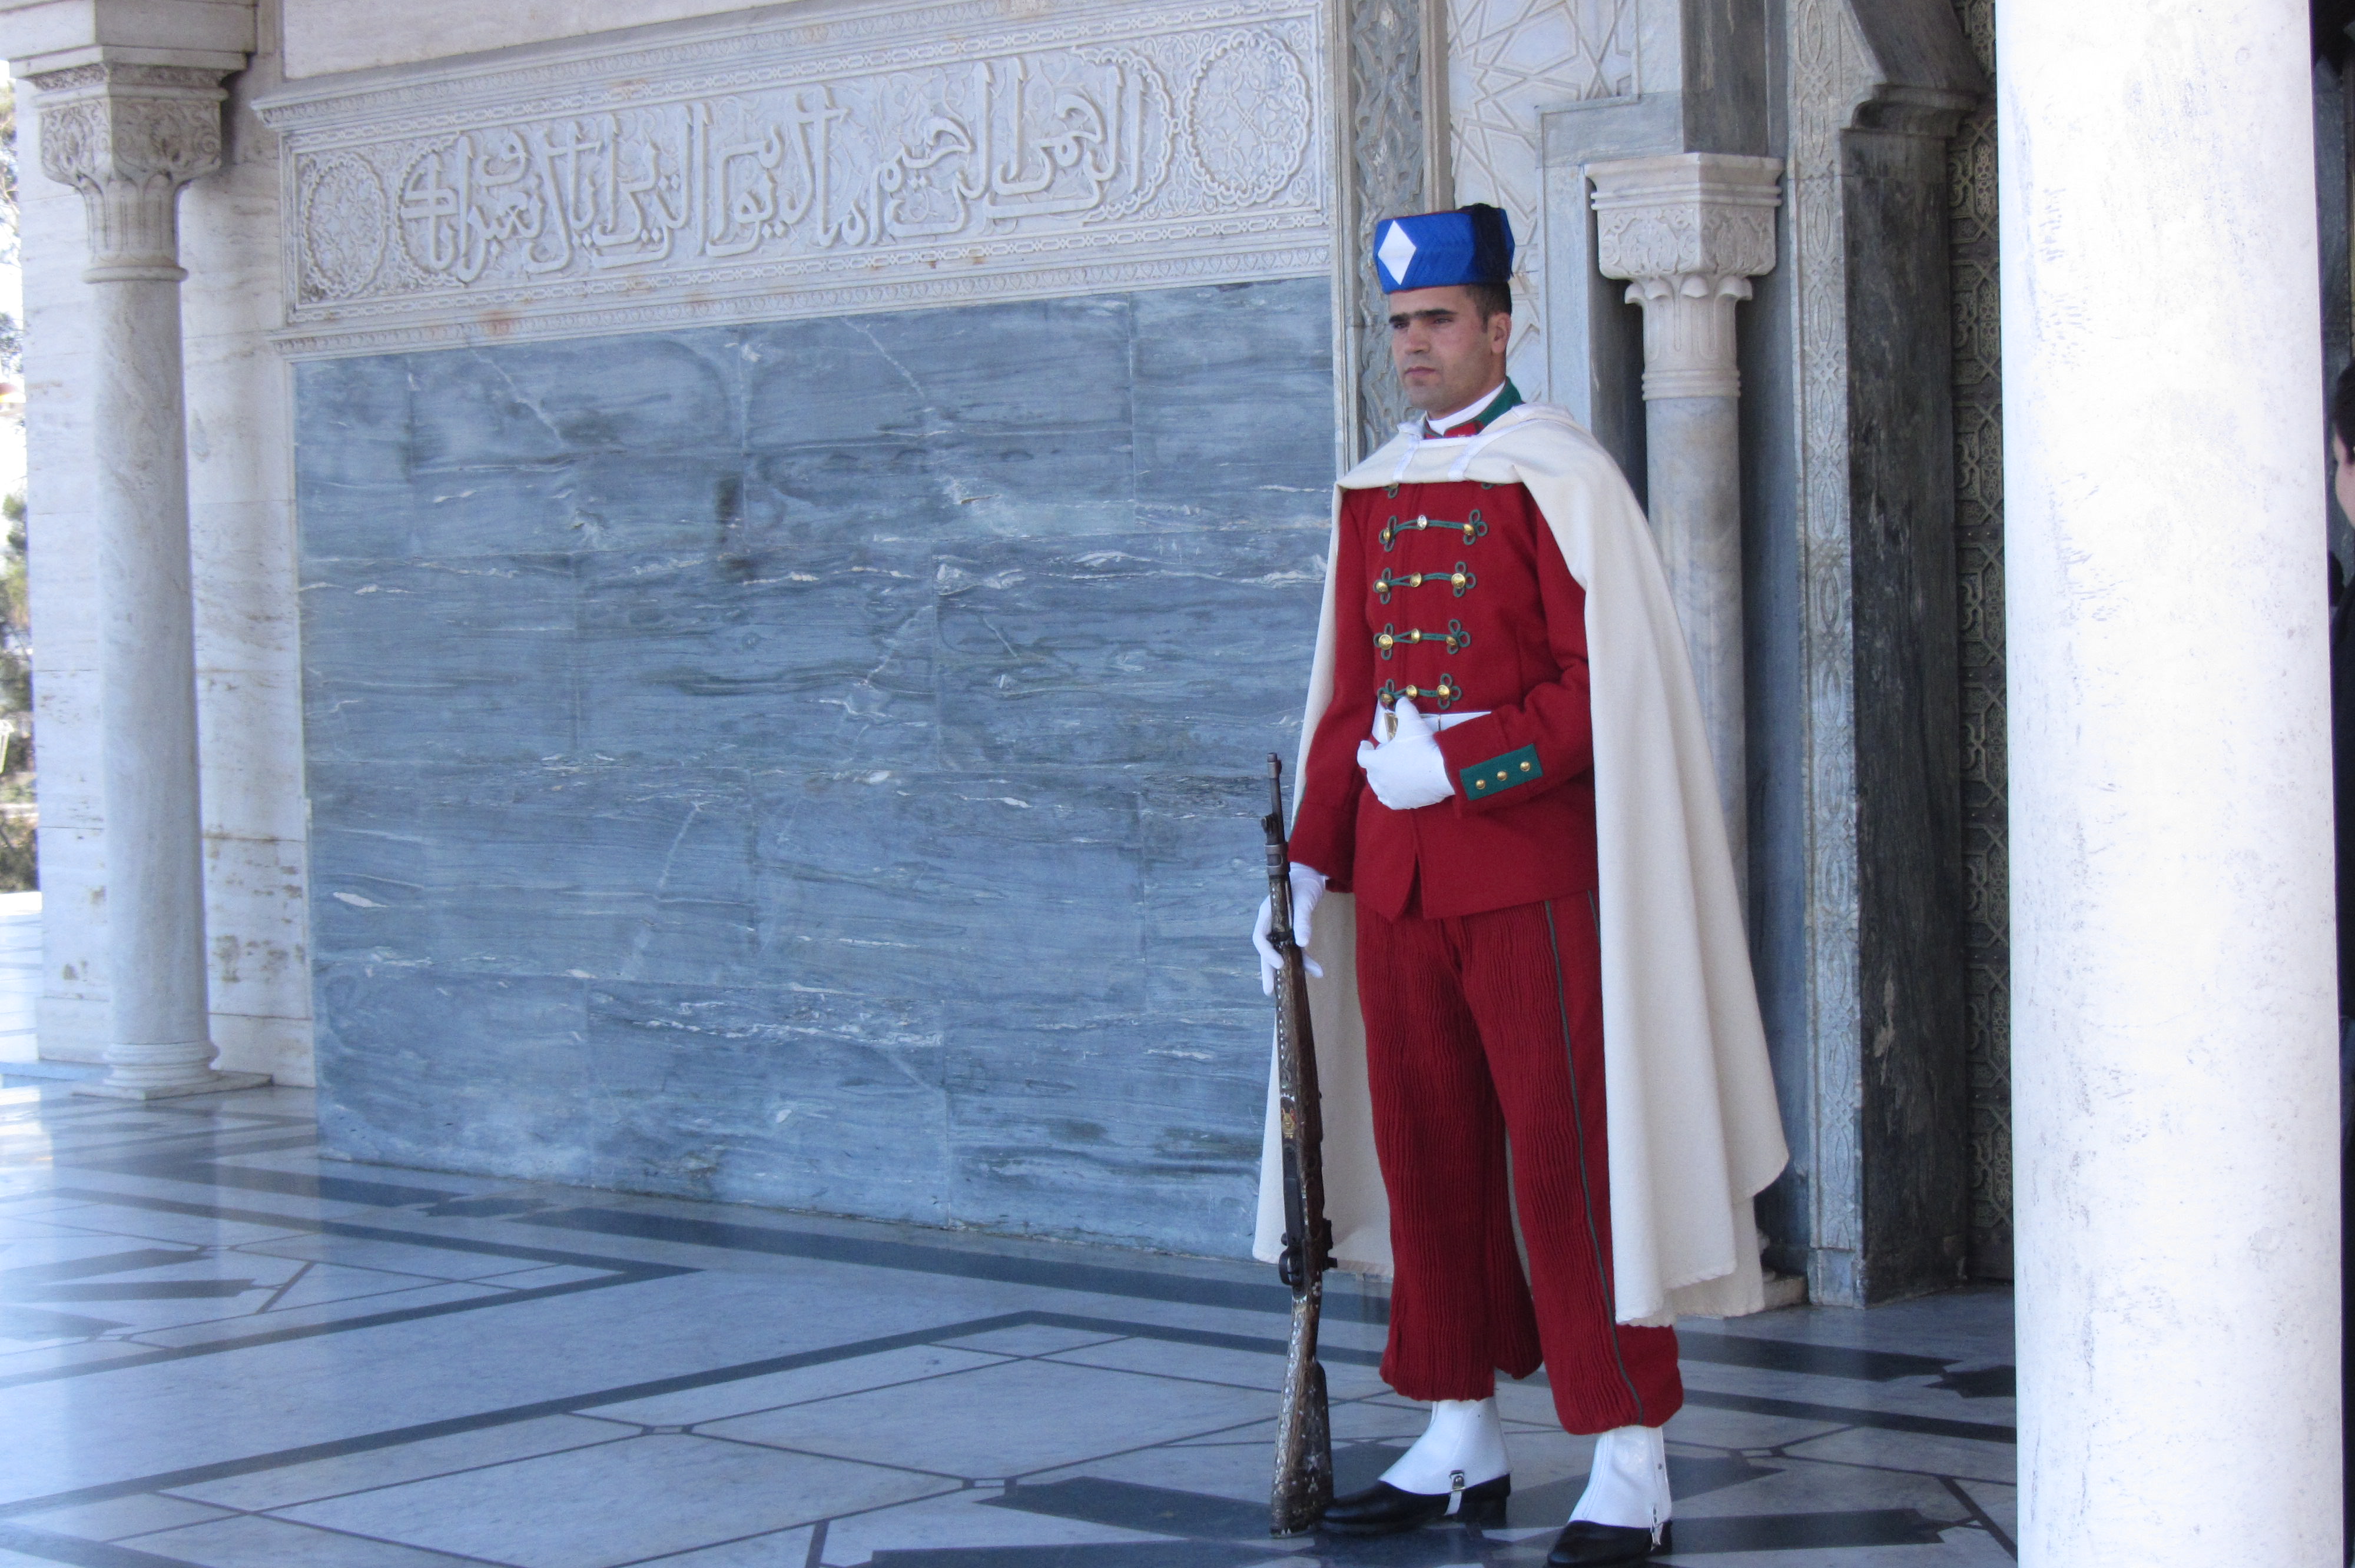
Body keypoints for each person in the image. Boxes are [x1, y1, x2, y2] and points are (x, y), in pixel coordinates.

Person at [1249, 204, 1788, 1567]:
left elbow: (1600, 689)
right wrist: (1308, 866)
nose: (1412, 347)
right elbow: (1347, 698)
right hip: (1401, 890)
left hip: (1531, 880)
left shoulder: (1558, 477)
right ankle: (1456, 1436)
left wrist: (1467, 764)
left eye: (1436, 322)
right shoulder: (1374, 484)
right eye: (1397, 327)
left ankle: (1629, 1457)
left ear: (1500, 326)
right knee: (1425, 1160)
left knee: (1568, 1170)